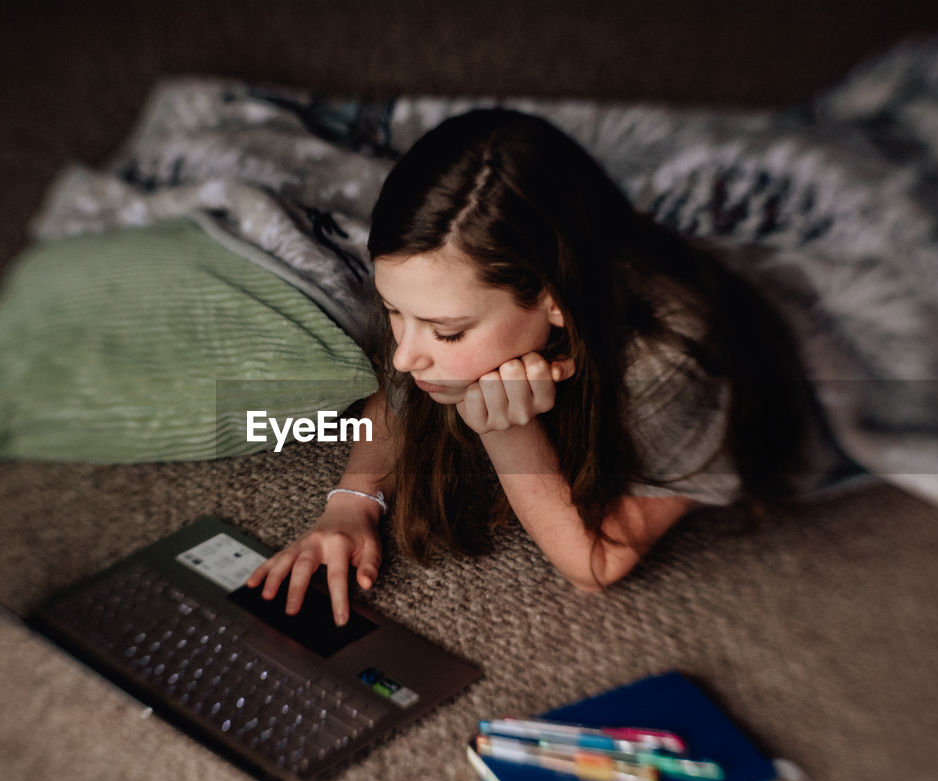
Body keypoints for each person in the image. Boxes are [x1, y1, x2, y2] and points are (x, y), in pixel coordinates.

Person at [245, 108, 833, 625]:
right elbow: (403, 391)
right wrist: (353, 502)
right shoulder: (440, 310)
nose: (403, 355)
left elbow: (594, 566)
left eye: (448, 330)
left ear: (554, 300)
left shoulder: (675, 363)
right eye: (396, 312)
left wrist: (508, 431)